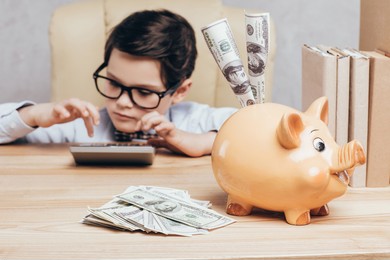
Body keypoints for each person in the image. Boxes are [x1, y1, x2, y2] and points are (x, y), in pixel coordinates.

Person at [0, 9, 237, 157]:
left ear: (180, 91)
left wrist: (204, 142)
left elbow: (268, 129)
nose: (122, 103)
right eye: (113, 83)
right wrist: (32, 115)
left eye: (144, 92)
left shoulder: (197, 121)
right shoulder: (79, 127)